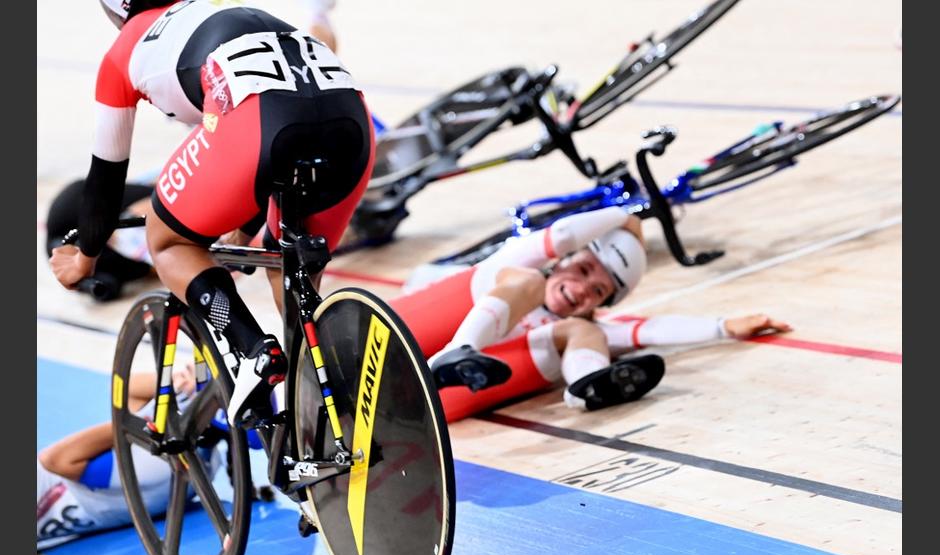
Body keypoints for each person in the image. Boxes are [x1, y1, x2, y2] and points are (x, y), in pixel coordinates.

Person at [49, 0, 376, 425]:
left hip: (258, 121)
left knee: (166, 240)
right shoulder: (209, 11)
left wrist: (85, 257)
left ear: (114, 12)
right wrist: (243, 229)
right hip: (350, 122)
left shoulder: (124, 51)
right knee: (288, 267)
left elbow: (106, 178)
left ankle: (253, 350)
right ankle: (334, 402)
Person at [390, 206, 791, 420]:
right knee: (525, 282)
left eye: (598, 291)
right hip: (394, 333)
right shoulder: (516, 263)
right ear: (563, 260)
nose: (582, 290)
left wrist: (723, 328)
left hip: (429, 401)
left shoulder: (573, 324)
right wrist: (625, 217)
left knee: (589, 334)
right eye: (582, 270)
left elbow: (649, 330)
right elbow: (562, 235)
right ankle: (459, 350)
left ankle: (586, 390)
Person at [37, 367, 222, 550]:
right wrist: (174, 385)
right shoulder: (158, 466)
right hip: (95, 491)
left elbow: (53, 460)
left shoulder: (151, 467)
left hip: (95, 492)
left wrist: (173, 386)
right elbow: (52, 460)